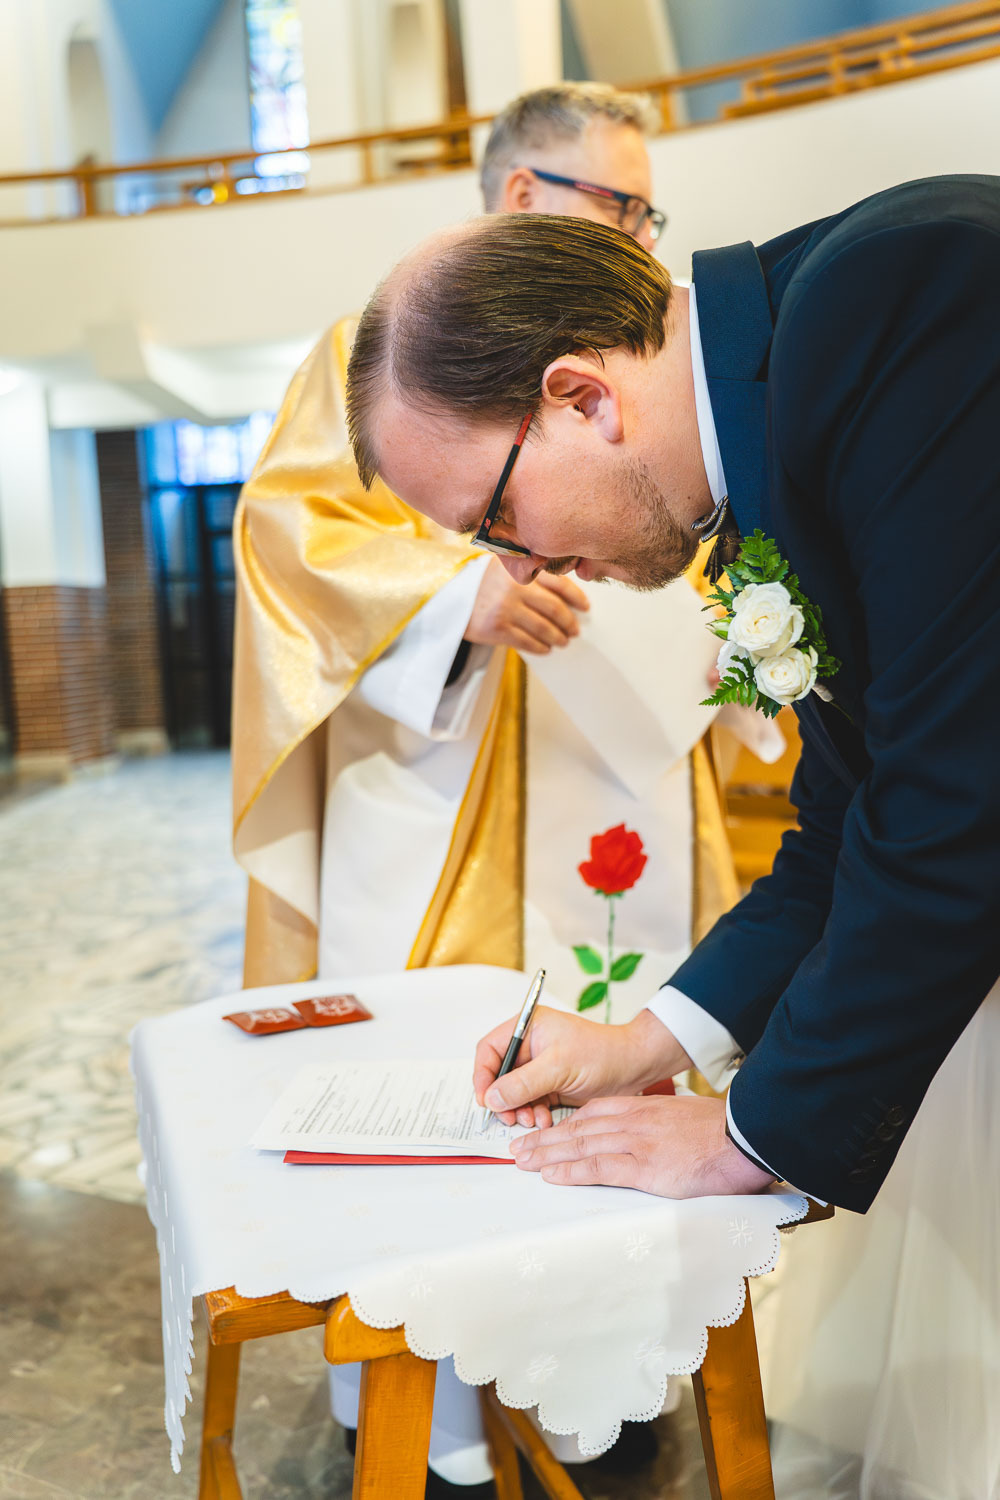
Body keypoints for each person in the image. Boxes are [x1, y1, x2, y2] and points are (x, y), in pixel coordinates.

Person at [344, 179, 1000, 1496]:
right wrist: (644, 1044)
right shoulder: (781, 404)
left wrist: (748, 1135)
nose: (519, 571)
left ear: (580, 396)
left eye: (494, 522)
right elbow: (850, 815)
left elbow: (958, 797)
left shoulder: (908, 304)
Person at [232, 84, 774, 1494]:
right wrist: (456, 595)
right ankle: (435, 1419)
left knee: (628, 1048)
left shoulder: (645, 359)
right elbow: (289, 532)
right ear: (526, 194)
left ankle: (619, 1381)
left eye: (650, 209)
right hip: (442, 777)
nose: (646, 233)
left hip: (621, 768)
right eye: (623, 204)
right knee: (444, 1088)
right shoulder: (379, 350)